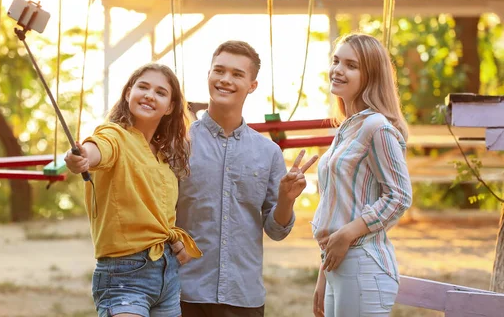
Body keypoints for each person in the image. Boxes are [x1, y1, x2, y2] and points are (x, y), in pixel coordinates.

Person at [176, 40, 318, 317]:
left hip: (244, 297)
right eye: (219, 71)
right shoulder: (179, 144)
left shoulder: (268, 152)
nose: (225, 80)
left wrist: (287, 200)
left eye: (237, 74)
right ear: (208, 75)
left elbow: (276, 231)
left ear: (252, 85)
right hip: (183, 293)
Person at [64, 62, 202, 317]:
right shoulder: (114, 135)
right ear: (128, 93)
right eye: (143, 87)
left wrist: (175, 240)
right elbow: (98, 149)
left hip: (167, 276)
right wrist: (82, 156)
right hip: (123, 276)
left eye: (161, 92)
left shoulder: (162, 158)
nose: (150, 95)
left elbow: (158, 216)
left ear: (170, 107)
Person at [311, 33, 413, 317]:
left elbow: (400, 196)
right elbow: (339, 208)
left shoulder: (376, 127)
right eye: (336, 61)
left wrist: (347, 234)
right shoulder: (345, 130)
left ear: (371, 76)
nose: (338, 70)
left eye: (351, 65)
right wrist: (324, 273)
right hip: (338, 266)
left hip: (364, 265)